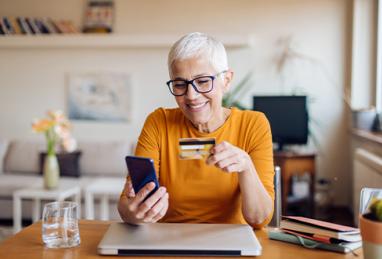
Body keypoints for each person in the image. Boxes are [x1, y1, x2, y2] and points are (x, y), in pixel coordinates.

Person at [118, 32, 274, 229]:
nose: (191, 95)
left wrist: (246, 167)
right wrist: (135, 214)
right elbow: (125, 205)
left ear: (226, 80)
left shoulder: (253, 124)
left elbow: (259, 219)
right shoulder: (158, 122)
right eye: (180, 84)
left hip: (230, 239)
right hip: (169, 237)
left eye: (202, 81)